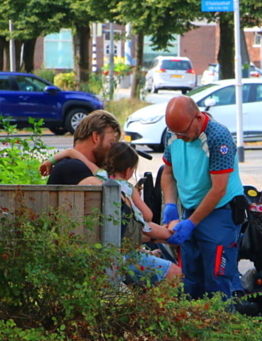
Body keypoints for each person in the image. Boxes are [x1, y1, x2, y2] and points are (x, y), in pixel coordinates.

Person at [160, 96, 245, 299]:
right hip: (191, 208)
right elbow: (168, 174)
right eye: (176, 132)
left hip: (220, 211)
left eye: (184, 132)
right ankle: (195, 328)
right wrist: (170, 205)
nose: (180, 137)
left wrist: (191, 223)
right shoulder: (174, 132)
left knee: (217, 281)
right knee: (190, 280)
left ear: (197, 117)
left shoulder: (218, 137)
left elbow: (218, 189)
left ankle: (223, 328)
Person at [102, 142, 184, 286]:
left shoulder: (100, 179)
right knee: (175, 274)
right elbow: (147, 217)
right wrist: (136, 198)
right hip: (124, 255)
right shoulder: (127, 188)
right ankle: (164, 308)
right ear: (128, 171)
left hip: (110, 249)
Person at [43, 110, 121, 185]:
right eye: (111, 143)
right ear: (96, 137)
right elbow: (111, 195)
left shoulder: (77, 166)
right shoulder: (72, 167)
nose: (113, 151)